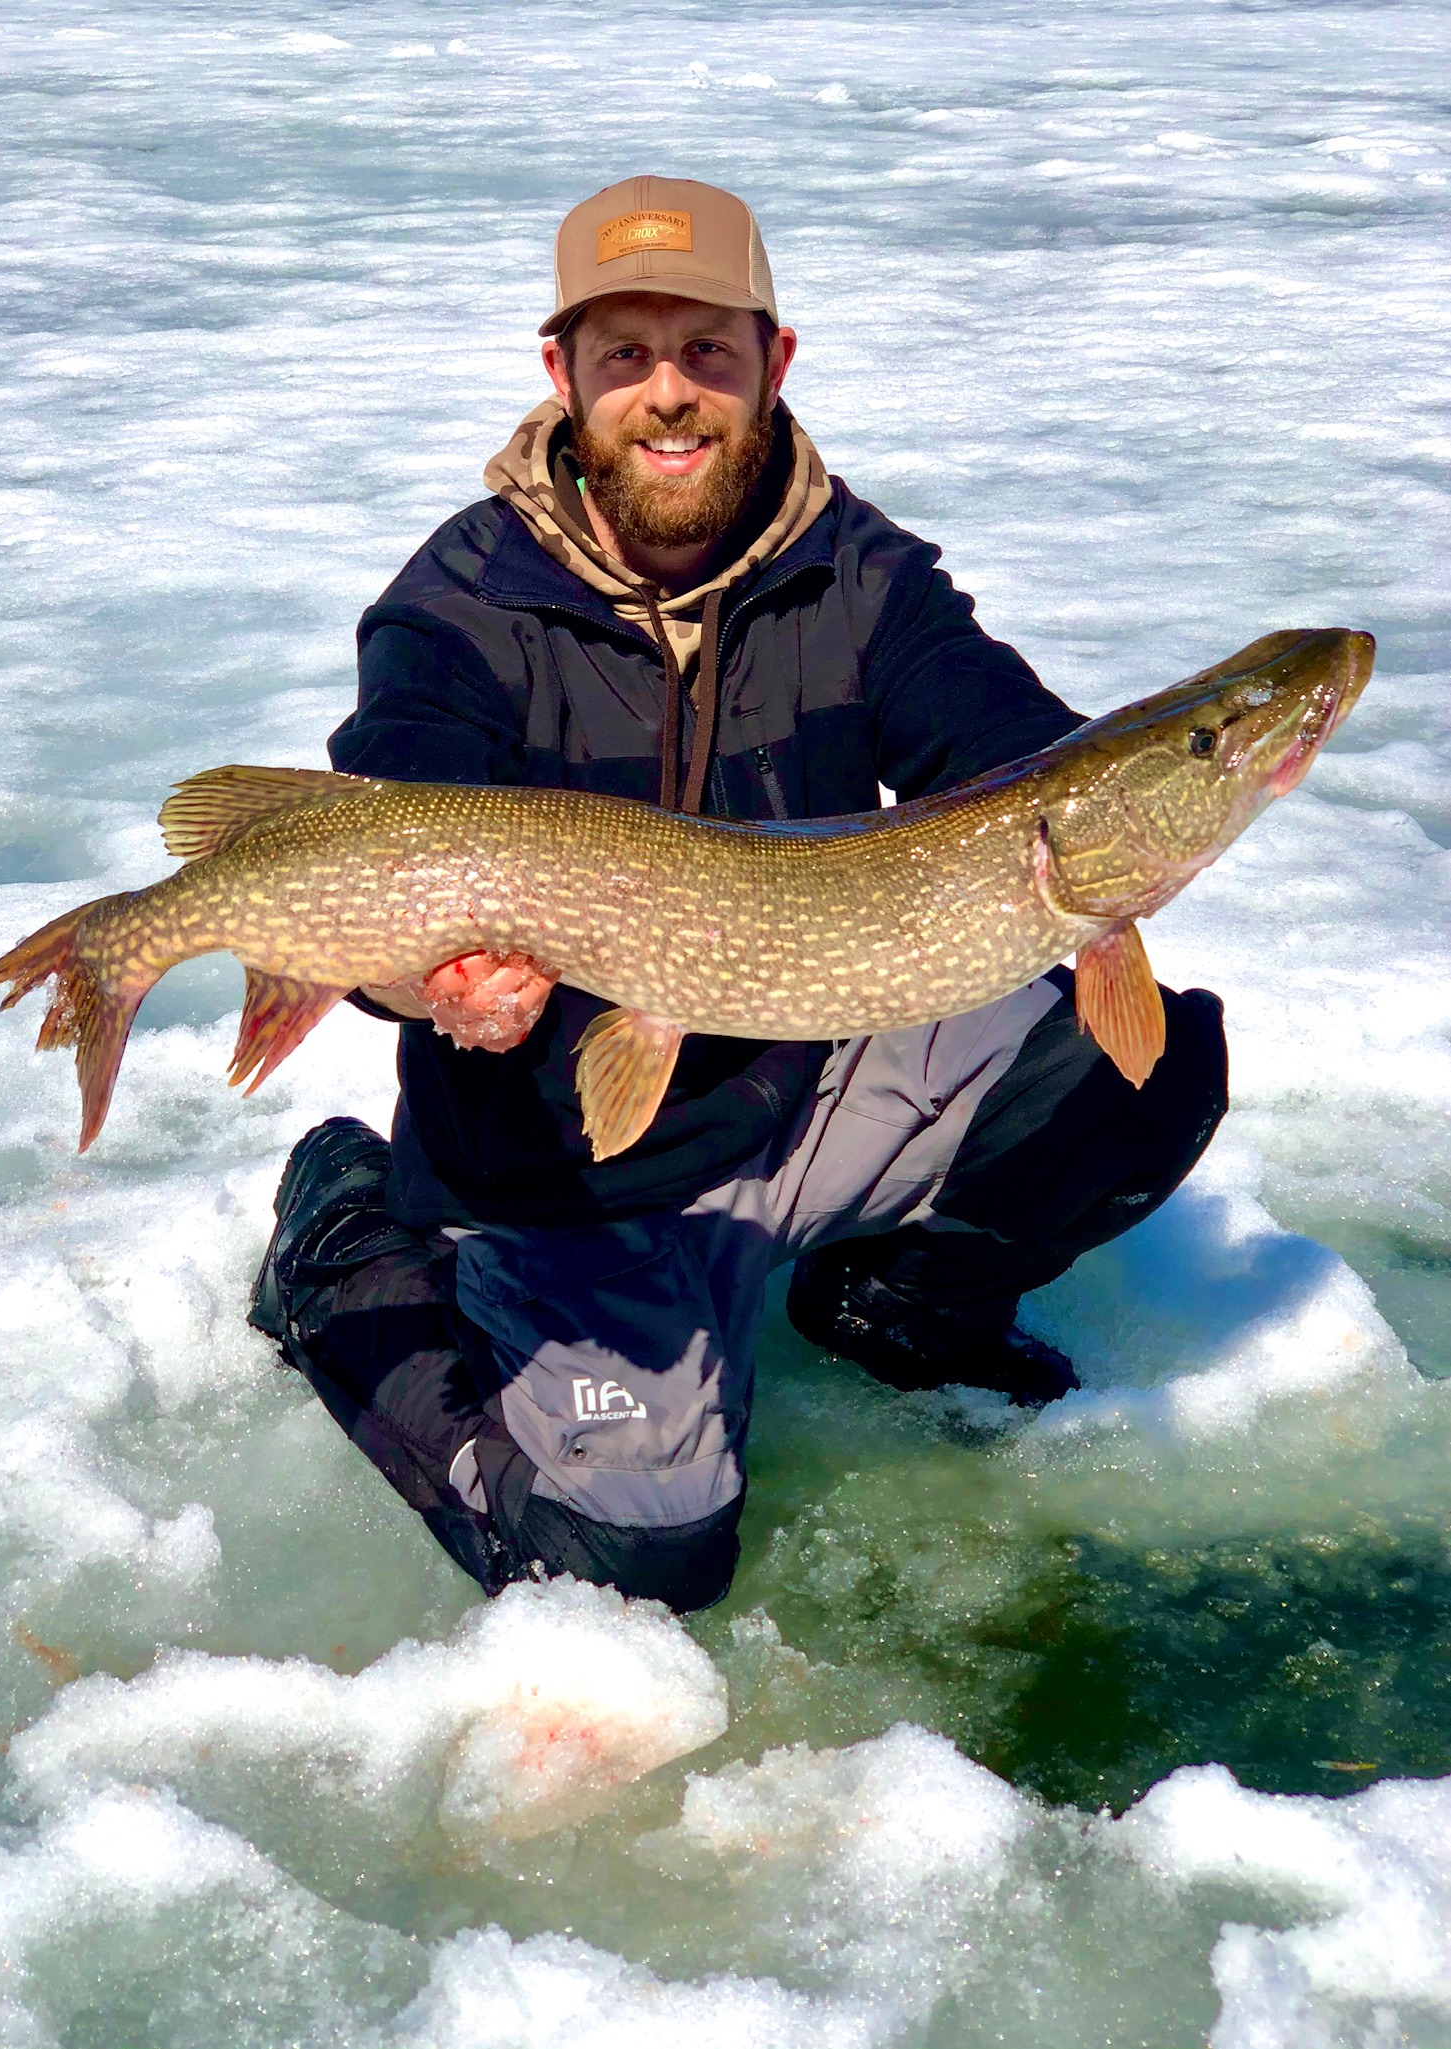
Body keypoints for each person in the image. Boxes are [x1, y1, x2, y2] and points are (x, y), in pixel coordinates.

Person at [250, 176, 1227, 1613]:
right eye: (626, 355)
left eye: (707, 350)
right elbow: (395, 822)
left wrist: (1159, 796)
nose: (668, 393)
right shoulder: (456, 609)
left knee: (1128, 1073)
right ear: (562, 376)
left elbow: (1016, 749)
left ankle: (888, 1303)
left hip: (799, 1067)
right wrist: (432, 984)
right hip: (571, 1157)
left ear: (771, 361)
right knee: (635, 1563)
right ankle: (347, 1250)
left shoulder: (853, 569)